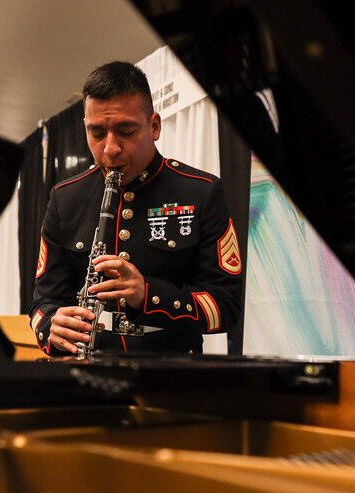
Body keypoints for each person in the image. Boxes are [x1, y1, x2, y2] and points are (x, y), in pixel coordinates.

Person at [29, 61, 243, 356]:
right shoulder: (65, 198)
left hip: (173, 375)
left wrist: (148, 294)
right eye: (97, 133)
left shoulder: (201, 192)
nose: (110, 149)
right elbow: (43, 303)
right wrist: (53, 325)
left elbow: (227, 305)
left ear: (154, 126)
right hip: (88, 373)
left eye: (126, 130)